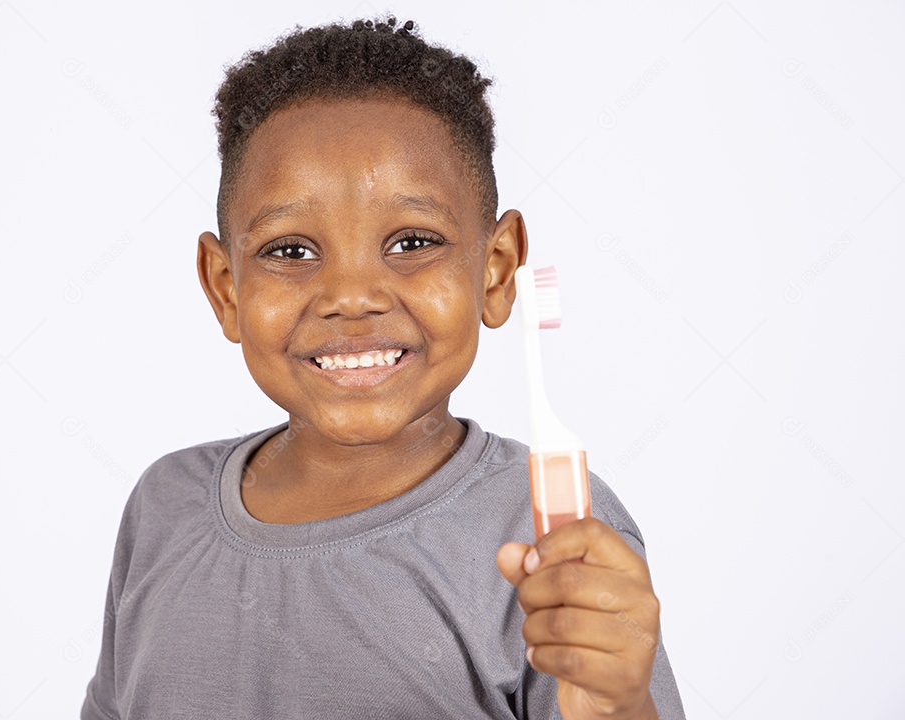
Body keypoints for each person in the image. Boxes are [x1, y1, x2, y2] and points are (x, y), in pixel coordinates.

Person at [81, 16, 685, 720]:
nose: (351, 297)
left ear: (495, 272)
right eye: (291, 251)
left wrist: (621, 705)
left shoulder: (552, 532)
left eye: (411, 241)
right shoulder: (164, 508)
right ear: (225, 288)